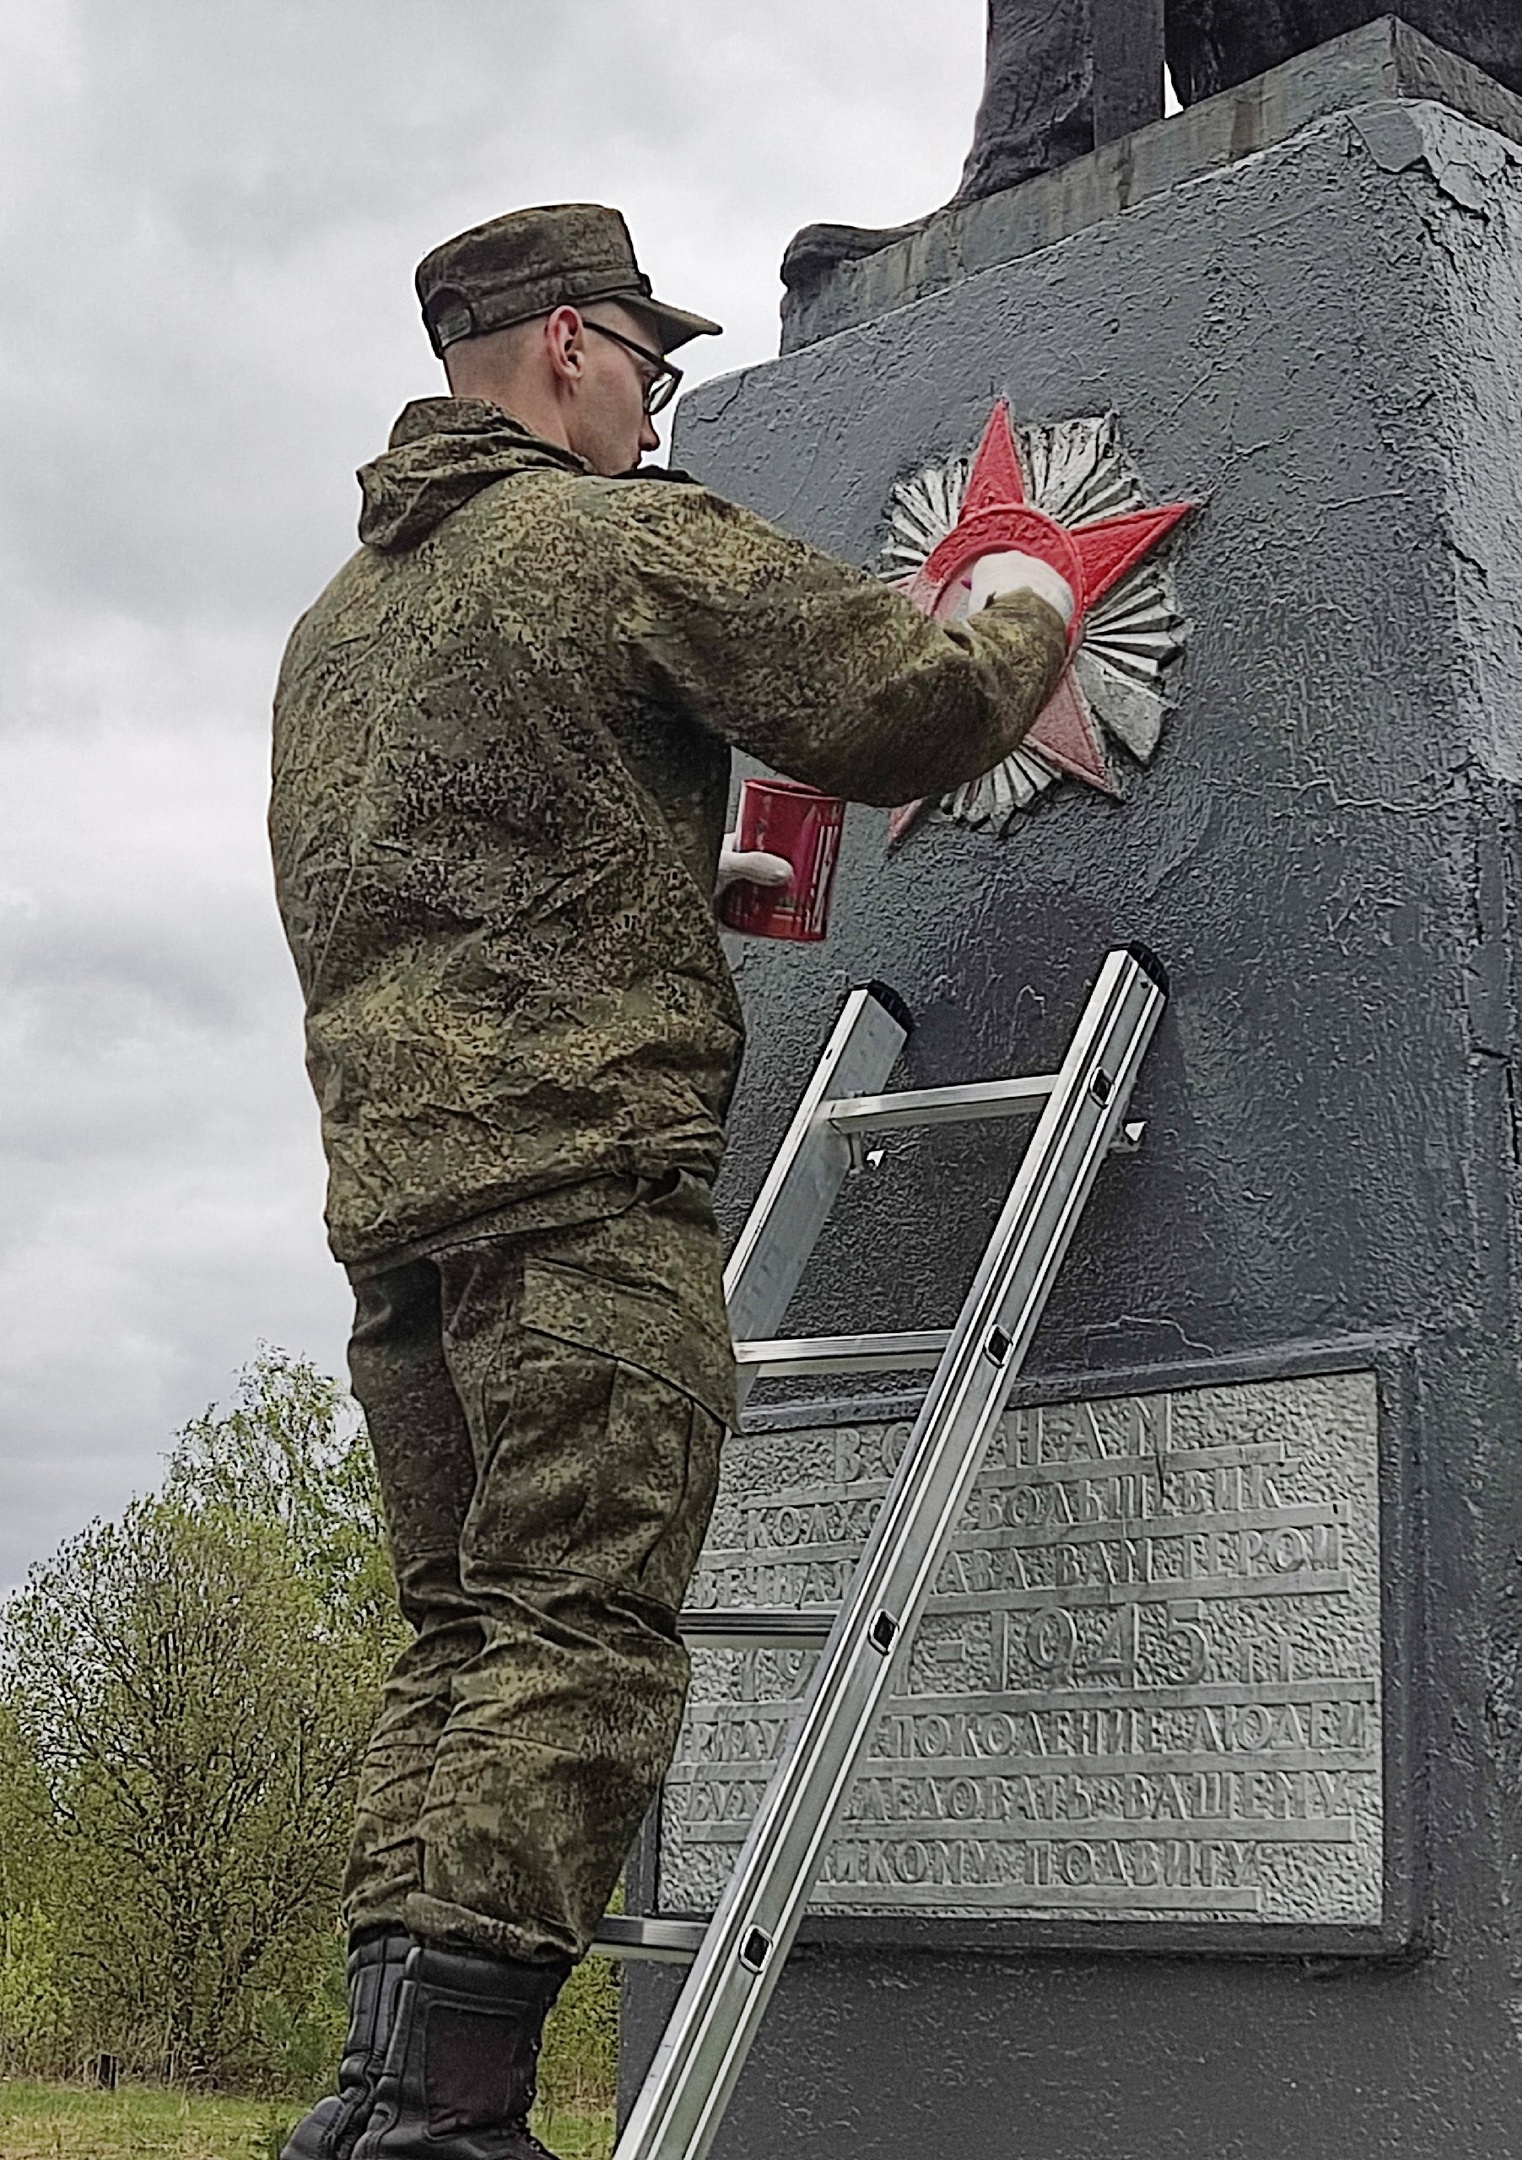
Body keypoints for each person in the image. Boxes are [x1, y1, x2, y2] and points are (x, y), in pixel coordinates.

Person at [270, 202, 1074, 2160]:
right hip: (581, 1217)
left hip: (403, 1237)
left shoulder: (340, 632)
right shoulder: (617, 546)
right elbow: (909, 708)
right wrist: (1034, 598)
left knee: (466, 1639)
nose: (657, 402)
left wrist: (669, 881)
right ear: (566, 346)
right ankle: (449, 2125)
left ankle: (379, 2106)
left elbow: (426, 891)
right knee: (578, 1655)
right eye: (651, 360)